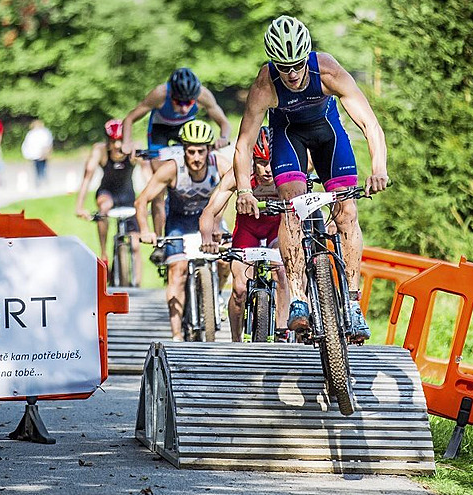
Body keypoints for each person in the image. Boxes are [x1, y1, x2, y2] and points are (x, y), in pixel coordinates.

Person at [233, 15, 390, 342]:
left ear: (307, 57)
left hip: (327, 133)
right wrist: (245, 190)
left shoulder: (328, 71)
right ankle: (299, 299)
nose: (290, 74)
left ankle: (352, 301)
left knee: (347, 212)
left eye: (297, 65)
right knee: (292, 207)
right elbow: (245, 143)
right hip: (288, 136)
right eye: (283, 66)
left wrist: (378, 168)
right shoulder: (266, 83)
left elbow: (369, 124)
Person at [122, 68, 233, 263]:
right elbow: (130, 119)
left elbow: (224, 123)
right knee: (159, 187)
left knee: (194, 160)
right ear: (171, 95)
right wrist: (127, 142)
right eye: (179, 102)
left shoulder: (203, 95)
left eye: (188, 103)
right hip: (160, 131)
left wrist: (223, 138)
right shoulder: (159, 94)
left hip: (184, 130)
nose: (183, 108)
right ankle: (160, 242)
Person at [135, 120, 232, 341]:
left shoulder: (220, 164)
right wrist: (144, 230)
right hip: (178, 222)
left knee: (226, 259)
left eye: (201, 151)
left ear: (209, 150)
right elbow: (142, 201)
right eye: (190, 151)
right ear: (183, 150)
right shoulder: (171, 169)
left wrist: (218, 222)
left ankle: (214, 296)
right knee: (177, 271)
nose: (196, 158)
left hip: (209, 221)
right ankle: (177, 334)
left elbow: (237, 185)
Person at [200, 126, 289, 342]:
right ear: (252, 160)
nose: (267, 169)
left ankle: (282, 333)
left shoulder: (286, 174)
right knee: (239, 289)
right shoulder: (240, 175)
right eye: (261, 162)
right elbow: (210, 211)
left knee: (281, 273)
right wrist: (207, 239)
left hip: (275, 231)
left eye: (271, 162)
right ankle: (235, 340)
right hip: (248, 231)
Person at [75, 119, 148, 286]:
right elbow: (87, 177)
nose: (116, 146)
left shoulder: (134, 149)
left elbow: (148, 175)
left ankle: (137, 284)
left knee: (136, 245)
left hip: (127, 195)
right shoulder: (99, 151)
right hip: (107, 194)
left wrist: (153, 201)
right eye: (112, 141)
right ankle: (104, 253)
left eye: (120, 141)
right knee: (104, 207)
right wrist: (79, 207)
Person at [21, 119, 53, 187]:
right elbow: (27, 145)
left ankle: (42, 179)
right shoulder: (32, 133)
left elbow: (47, 143)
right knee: (38, 167)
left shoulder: (43, 132)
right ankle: (40, 179)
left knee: (41, 167)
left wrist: (46, 152)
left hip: (41, 153)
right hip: (35, 154)